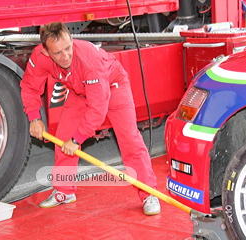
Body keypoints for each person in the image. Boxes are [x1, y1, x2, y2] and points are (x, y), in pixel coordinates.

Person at [20, 22, 161, 215]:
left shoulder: (89, 59)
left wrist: (77, 139)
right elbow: (29, 87)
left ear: (72, 40)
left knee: (129, 139)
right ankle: (64, 191)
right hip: (79, 93)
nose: (66, 56)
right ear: (46, 52)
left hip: (113, 85)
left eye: (68, 48)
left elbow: (97, 108)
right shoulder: (39, 57)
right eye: (58, 53)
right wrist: (34, 117)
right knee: (62, 139)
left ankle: (149, 194)